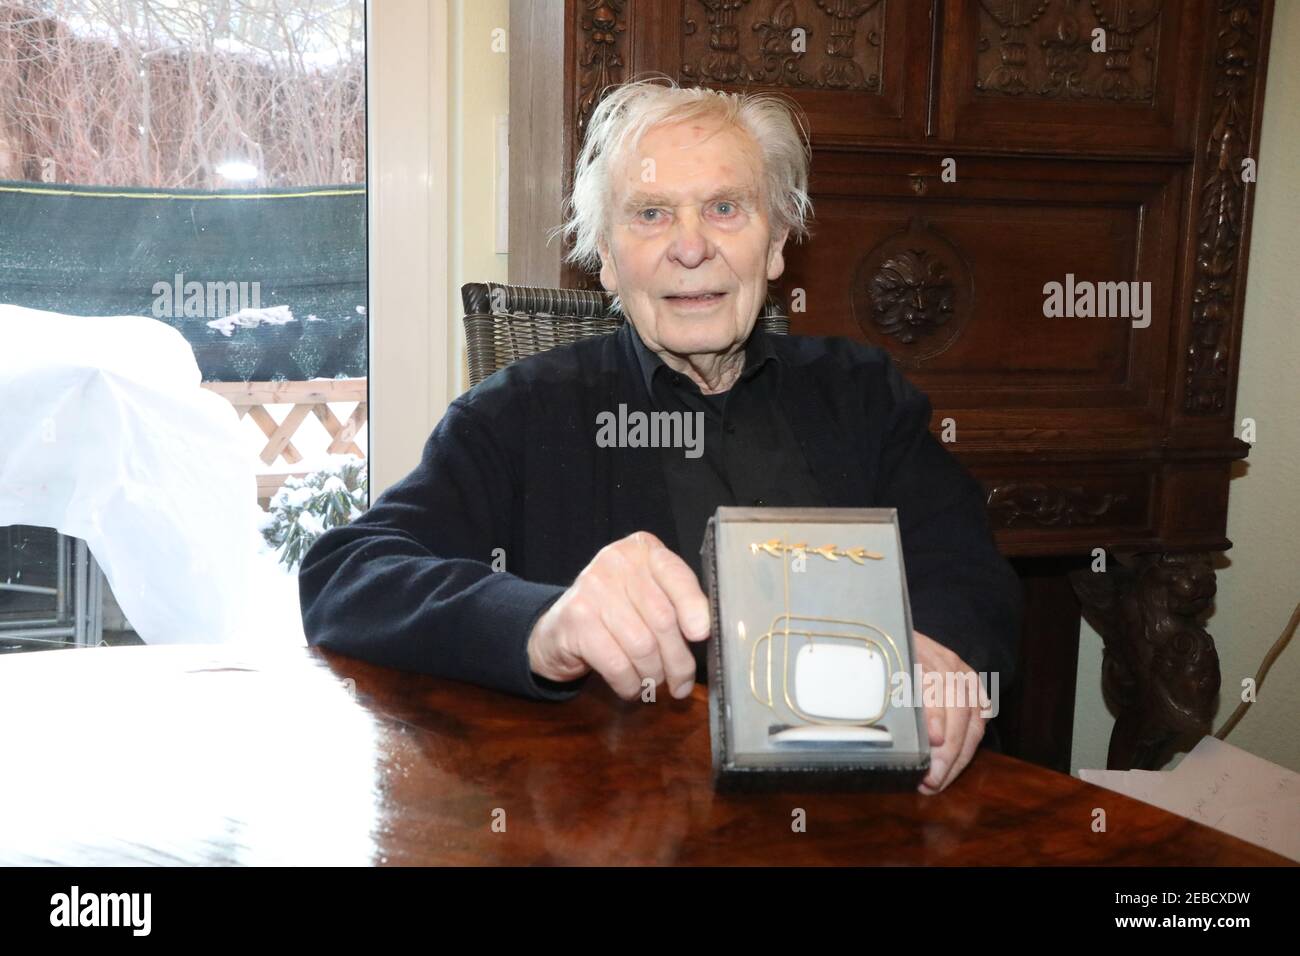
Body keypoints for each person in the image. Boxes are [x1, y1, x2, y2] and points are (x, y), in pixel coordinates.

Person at [299, 77, 1023, 794]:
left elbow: (968, 569)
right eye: (650, 214)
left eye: (724, 208)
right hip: (621, 817)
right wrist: (542, 623)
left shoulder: (865, 395)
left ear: (775, 245)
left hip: (857, 820)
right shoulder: (518, 415)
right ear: (608, 260)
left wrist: (942, 650)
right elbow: (346, 577)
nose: (690, 247)